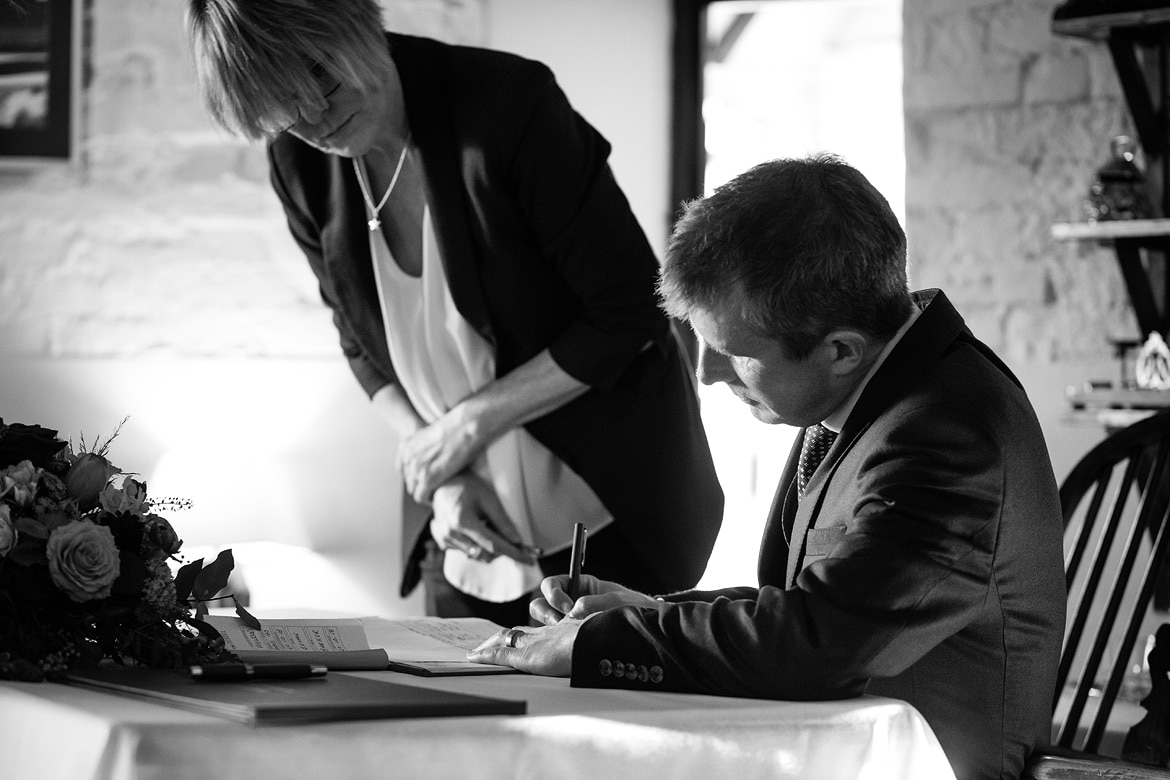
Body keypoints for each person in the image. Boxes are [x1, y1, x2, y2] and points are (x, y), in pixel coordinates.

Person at [470, 154, 1068, 780]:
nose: (706, 373)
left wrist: (598, 644)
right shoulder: (868, 386)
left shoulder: (947, 432)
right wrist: (648, 613)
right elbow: (818, 601)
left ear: (840, 350)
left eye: (734, 352)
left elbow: (820, 642)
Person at [182, 0, 724, 625]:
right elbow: (360, 344)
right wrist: (443, 474)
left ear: (358, 23)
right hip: (463, 524)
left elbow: (631, 310)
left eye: (323, 83)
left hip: (607, 513)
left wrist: (462, 430)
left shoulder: (506, 104)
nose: (314, 121)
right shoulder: (298, 164)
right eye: (282, 108)